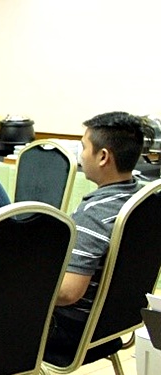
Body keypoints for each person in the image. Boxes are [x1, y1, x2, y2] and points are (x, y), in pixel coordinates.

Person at [45, 111, 146, 355]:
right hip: (112, 325)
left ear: (103, 157)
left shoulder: (95, 213)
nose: (80, 155)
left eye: (83, 147)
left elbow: (69, 292)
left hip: (70, 331)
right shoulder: (143, 200)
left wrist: (23, 286)